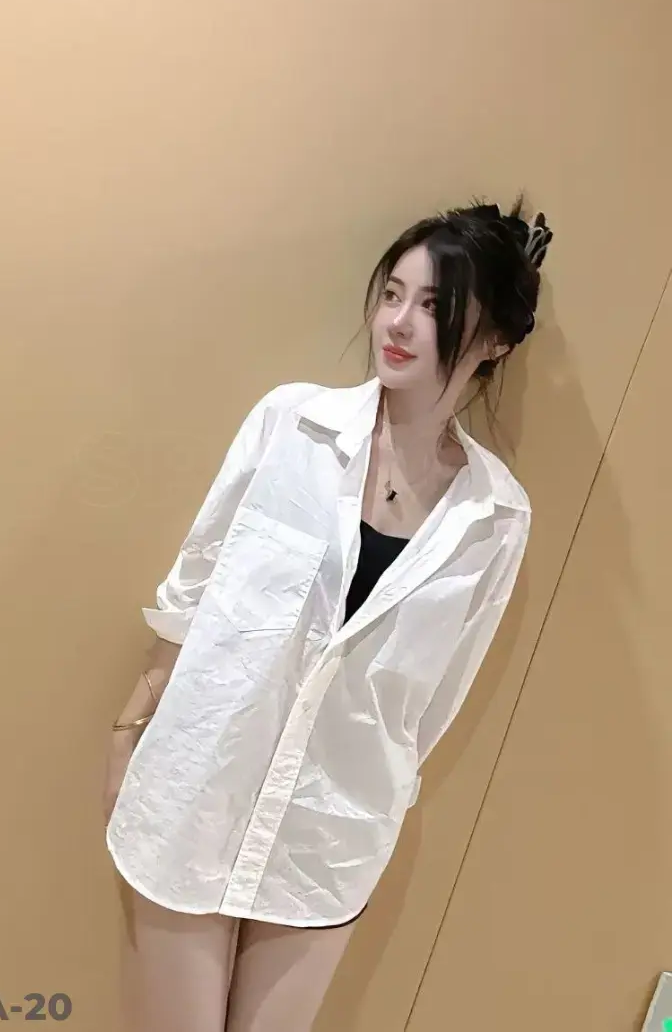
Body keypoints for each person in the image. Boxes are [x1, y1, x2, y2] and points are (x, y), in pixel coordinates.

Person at [104, 198, 553, 1032]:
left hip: (327, 831)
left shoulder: (496, 517)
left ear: (493, 339)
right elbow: (198, 578)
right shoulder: (292, 424)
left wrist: (375, 792)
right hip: (199, 783)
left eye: (435, 305)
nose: (399, 322)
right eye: (393, 293)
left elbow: (434, 702)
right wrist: (131, 727)